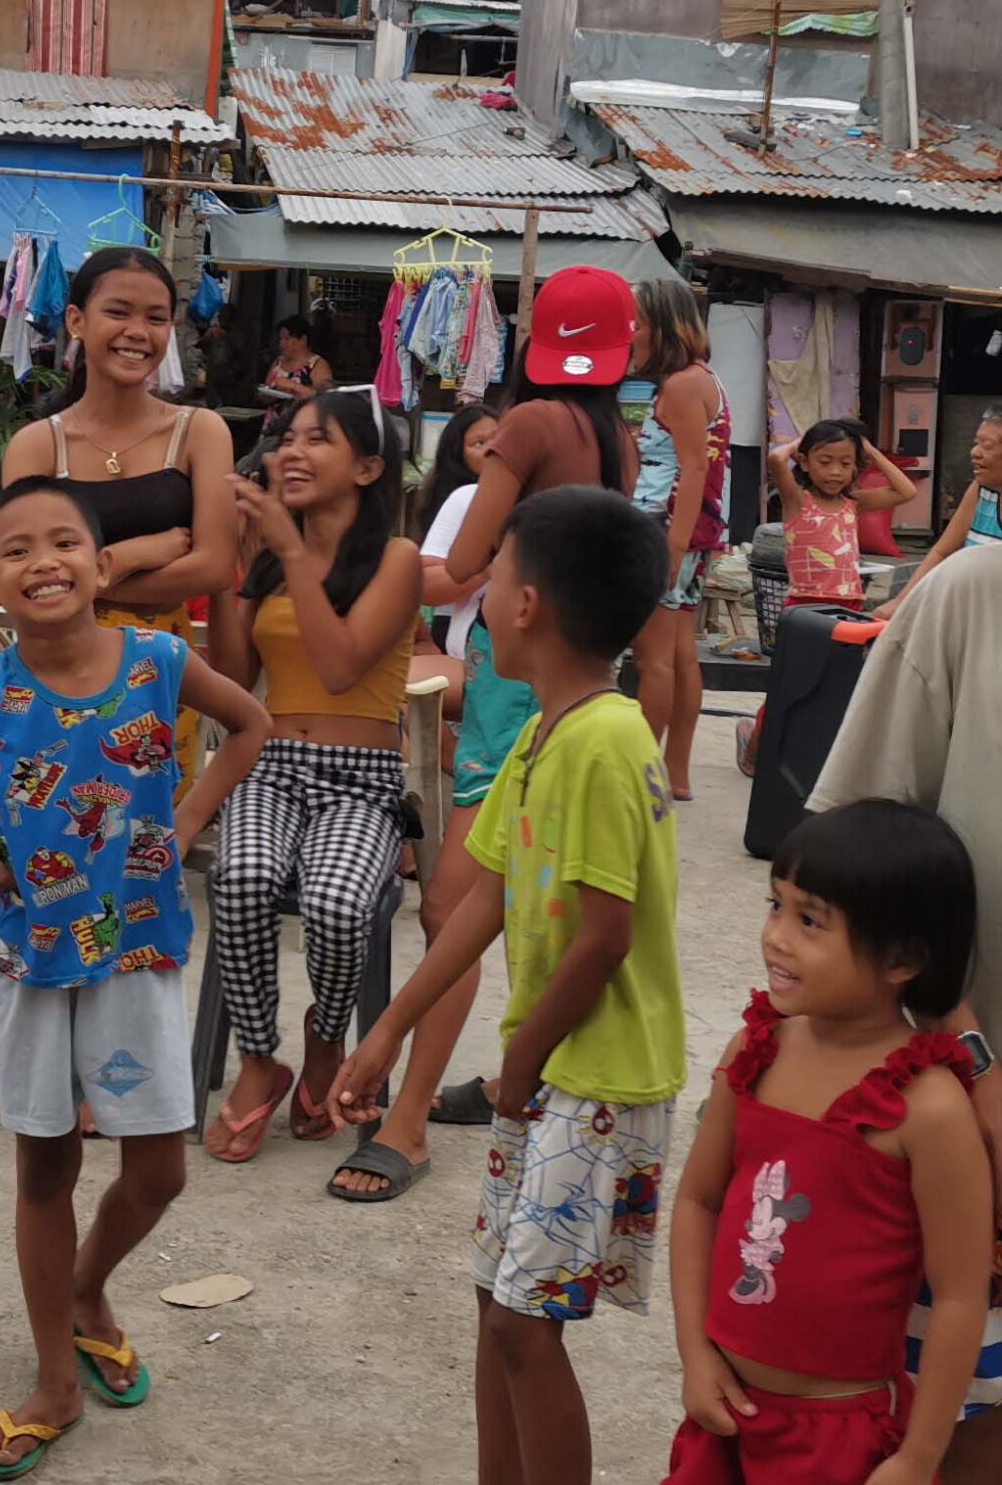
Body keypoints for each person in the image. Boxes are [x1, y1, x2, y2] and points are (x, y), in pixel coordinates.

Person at [0, 478, 267, 1479]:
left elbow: (250, 724)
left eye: (65, 543)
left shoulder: (161, 661)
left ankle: (85, 1292)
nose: (43, 562)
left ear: (99, 564)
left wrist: (186, 822)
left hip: (139, 949)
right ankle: (54, 1379)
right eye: (17, 550)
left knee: (159, 1169)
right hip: (33, 959)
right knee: (45, 1169)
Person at [331, 485, 684, 1485]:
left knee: (528, 1328)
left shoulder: (604, 740)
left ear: (526, 605)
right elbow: (485, 894)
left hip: (596, 1078)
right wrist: (388, 1031)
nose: (477, 595)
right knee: (497, 1306)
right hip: (551, 1071)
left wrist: (518, 1060)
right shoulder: (542, 733)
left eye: (495, 576)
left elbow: (604, 936)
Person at [348, 269, 645, 1204]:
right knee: (524, 893)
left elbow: (468, 566)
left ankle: (411, 1118)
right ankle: (509, 1068)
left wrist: (372, 569)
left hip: (517, 682)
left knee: (454, 906)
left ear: (532, 345)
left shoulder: (528, 425)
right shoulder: (619, 442)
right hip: (584, 670)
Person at [662, 801, 988, 1485]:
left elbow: (959, 1295)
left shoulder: (927, 1105)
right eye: (775, 905)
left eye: (810, 920)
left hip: (839, 1441)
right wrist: (695, 1354)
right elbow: (697, 1199)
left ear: (901, 956)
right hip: (724, 1416)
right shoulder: (755, 1048)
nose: (776, 936)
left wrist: (918, 1456)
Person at [810, 543, 1002, 1475]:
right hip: (954, 1115)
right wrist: (976, 1059)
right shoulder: (972, 598)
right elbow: (856, 862)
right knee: (948, 1408)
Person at [201, 390, 425, 1178]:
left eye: (316, 441)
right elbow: (233, 682)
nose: (289, 453)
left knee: (336, 900)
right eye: (286, 439)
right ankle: (260, 1058)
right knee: (240, 873)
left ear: (368, 467)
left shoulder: (397, 561)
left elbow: (337, 666)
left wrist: (289, 552)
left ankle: (325, 1036)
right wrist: (238, 567)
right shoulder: (270, 561)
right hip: (271, 766)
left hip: (362, 779)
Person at [2, 249, 237, 802]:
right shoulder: (37, 445)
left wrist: (82, 580)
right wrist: (140, 553)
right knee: (49, 843)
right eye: (119, 312)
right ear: (77, 320)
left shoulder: (201, 433)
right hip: (52, 670)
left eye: (156, 318)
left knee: (149, 846)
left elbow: (214, 565)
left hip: (159, 679)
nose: (138, 332)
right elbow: (24, 580)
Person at [619, 282, 730, 801]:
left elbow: (693, 465)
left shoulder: (683, 385)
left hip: (668, 531)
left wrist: (672, 547)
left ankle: (641, 777)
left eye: (638, 322)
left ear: (664, 326)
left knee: (653, 659)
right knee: (681, 653)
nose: (631, 333)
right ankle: (675, 772)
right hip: (690, 531)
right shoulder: (701, 379)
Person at [769, 421, 916, 613]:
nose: (835, 471)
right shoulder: (797, 501)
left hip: (850, 602)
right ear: (804, 462)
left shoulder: (853, 503)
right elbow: (776, 458)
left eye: (846, 463)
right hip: (804, 603)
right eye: (825, 462)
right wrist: (799, 443)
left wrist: (871, 452)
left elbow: (907, 491)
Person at [414, 400, 502, 719]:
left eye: (500, 439)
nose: (493, 450)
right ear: (458, 455)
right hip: (456, 630)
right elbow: (429, 586)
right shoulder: (463, 499)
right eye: (480, 443)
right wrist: (492, 567)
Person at [882, 405, 1002, 617]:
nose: (975, 453)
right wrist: (901, 603)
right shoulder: (981, 490)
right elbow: (941, 552)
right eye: (976, 443)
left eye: (988, 446)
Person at [261, 315, 324, 405]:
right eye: (280, 339)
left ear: (303, 339)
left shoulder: (318, 365)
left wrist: (292, 386)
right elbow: (266, 393)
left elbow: (323, 398)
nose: (282, 343)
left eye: (287, 339)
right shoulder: (278, 362)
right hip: (276, 417)